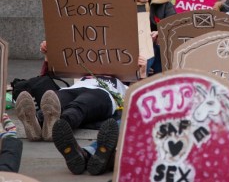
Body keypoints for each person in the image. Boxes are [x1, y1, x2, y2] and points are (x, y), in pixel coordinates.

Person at [15, 41, 146, 142]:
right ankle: (37, 123)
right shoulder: (85, 72)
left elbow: (141, 96)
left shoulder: (123, 82)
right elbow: (52, 72)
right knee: (54, 100)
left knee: (79, 106)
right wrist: (49, 55)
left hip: (104, 93)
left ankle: (57, 127)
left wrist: (142, 72)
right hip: (75, 89)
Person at [128, 0, 177, 75]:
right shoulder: (122, 6)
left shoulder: (165, 4)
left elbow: (175, 28)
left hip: (160, 56)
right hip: (132, 57)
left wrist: (162, 34)